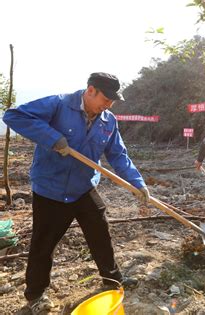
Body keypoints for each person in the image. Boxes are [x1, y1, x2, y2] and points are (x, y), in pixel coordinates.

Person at [3, 72, 150, 315]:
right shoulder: (59, 105)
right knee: (43, 244)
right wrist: (53, 138)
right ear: (90, 90)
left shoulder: (108, 121)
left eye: (113, 101)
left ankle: (112, 280)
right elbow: (13, 115)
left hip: (83, 188)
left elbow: (118, 155)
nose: (109, 105)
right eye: (106, 98)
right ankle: (36, 295)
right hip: (51, 189)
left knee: (100, 234)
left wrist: (137, 183)